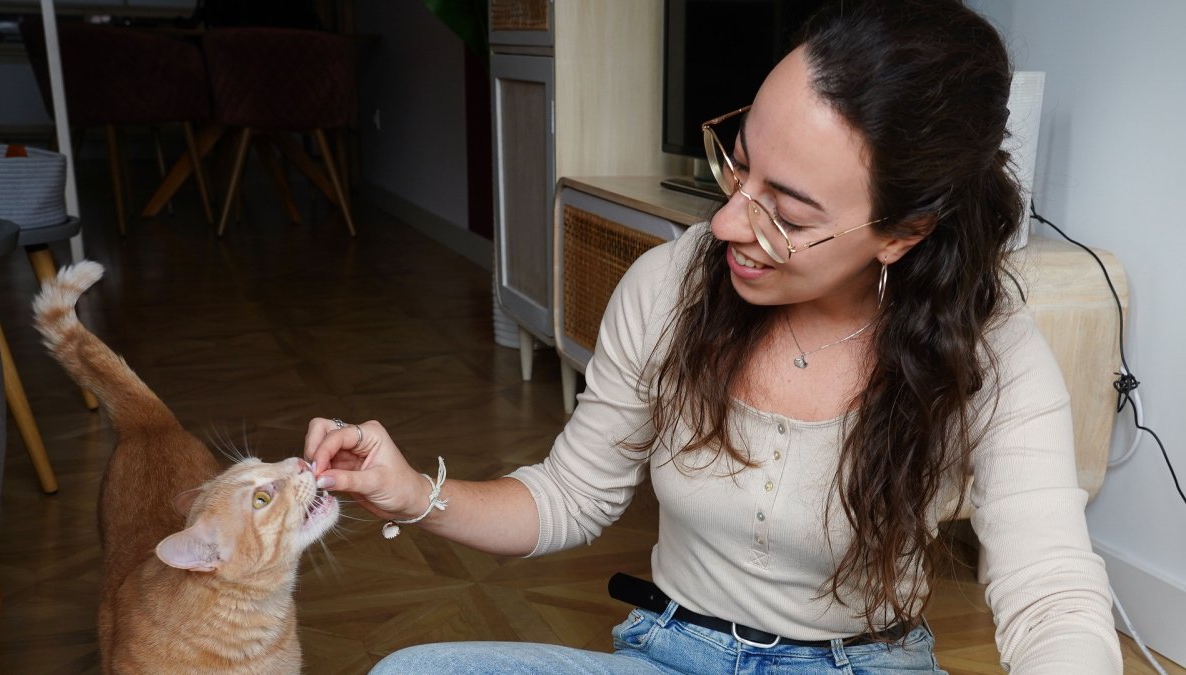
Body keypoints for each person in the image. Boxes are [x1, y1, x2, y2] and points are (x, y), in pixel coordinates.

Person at [304, 0, 1122, 672]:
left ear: (902, 233)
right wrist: (413, 494)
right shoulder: (671, 283)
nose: (727, 220)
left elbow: (1051, 593)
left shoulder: (991, 350)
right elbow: (568, 496)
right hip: (672, 654)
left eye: (787, 213)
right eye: (738, 165)